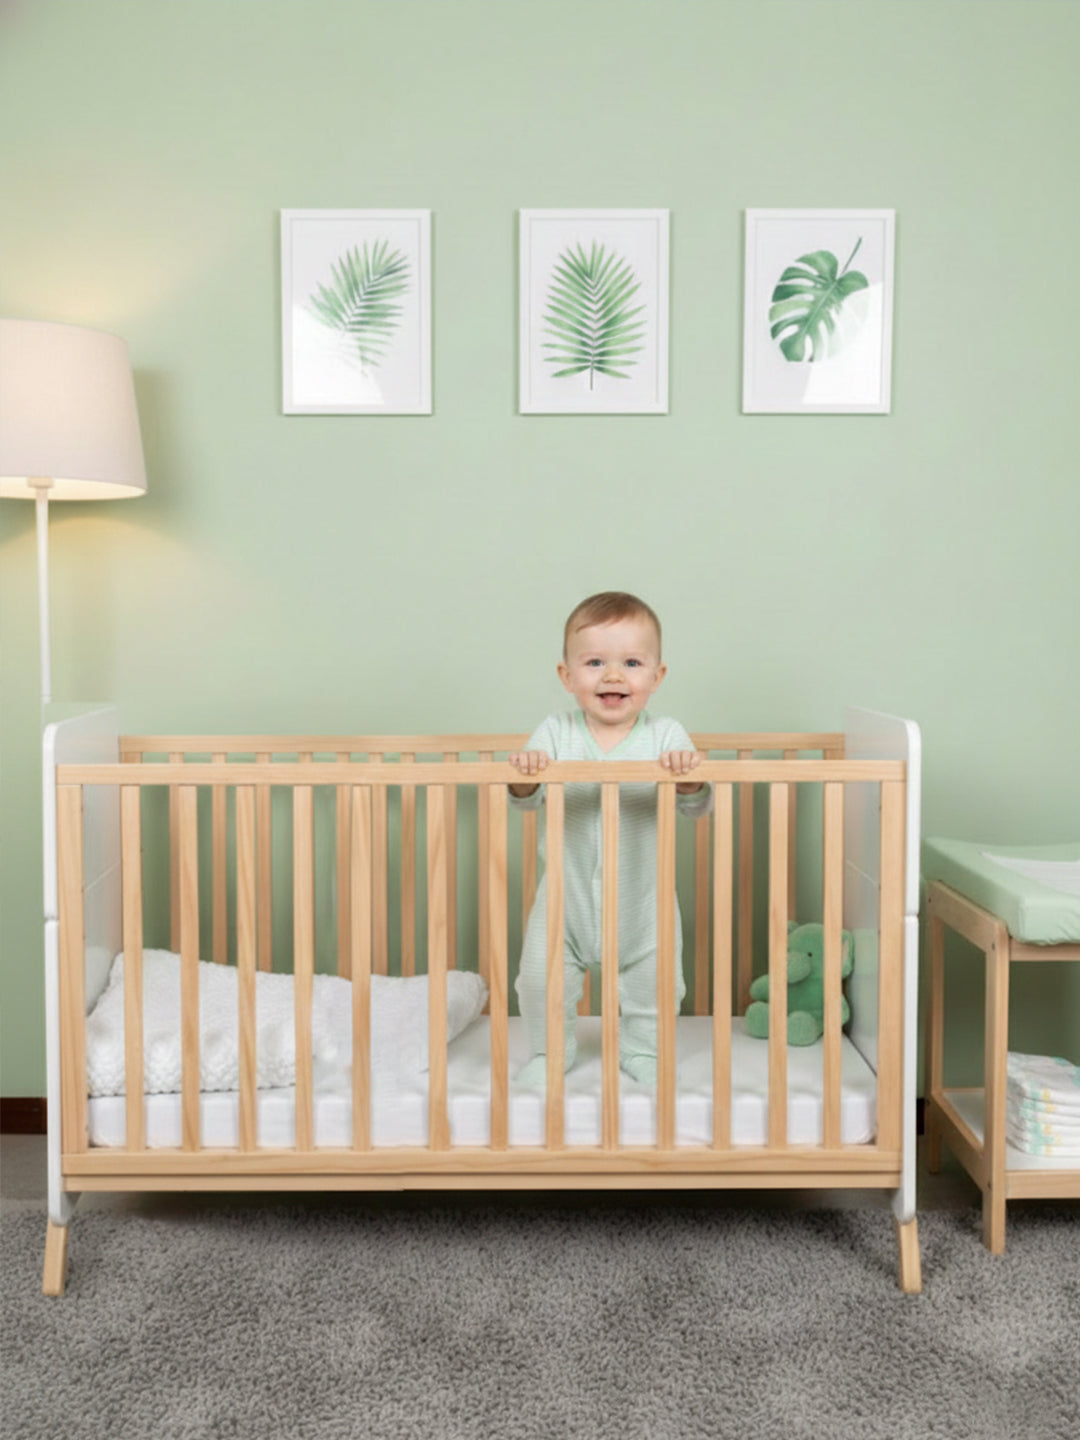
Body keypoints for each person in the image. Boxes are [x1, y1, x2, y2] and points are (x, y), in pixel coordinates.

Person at [508, 591, 712, 1087]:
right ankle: (547, 1053)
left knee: (658, 986)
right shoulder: (554, 732)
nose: (613, 676)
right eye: (595, 662)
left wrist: (687, 777)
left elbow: (695, 803)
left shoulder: (667, 737)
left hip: (645, 907)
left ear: (657, 676)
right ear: (567, 676)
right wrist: (525, 774)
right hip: (565, 903)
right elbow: (523, 797)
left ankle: (644, 1051)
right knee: (539, 980)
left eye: (632, 662)